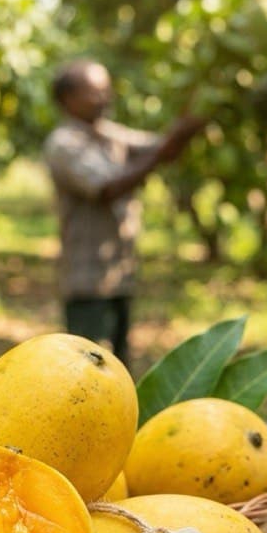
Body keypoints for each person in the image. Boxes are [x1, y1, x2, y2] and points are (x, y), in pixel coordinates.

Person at [44, 58, 204, 366]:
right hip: (87, 279)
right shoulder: (63, 144)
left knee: (117, 367)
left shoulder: (107, 134)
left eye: (106, 89)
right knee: (84, 370)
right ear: (68, 99)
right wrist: (162, 152)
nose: (105, 98)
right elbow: (107, 189)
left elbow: (158, 147)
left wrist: (189, 123)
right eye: (94, 91)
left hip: (119, 273)